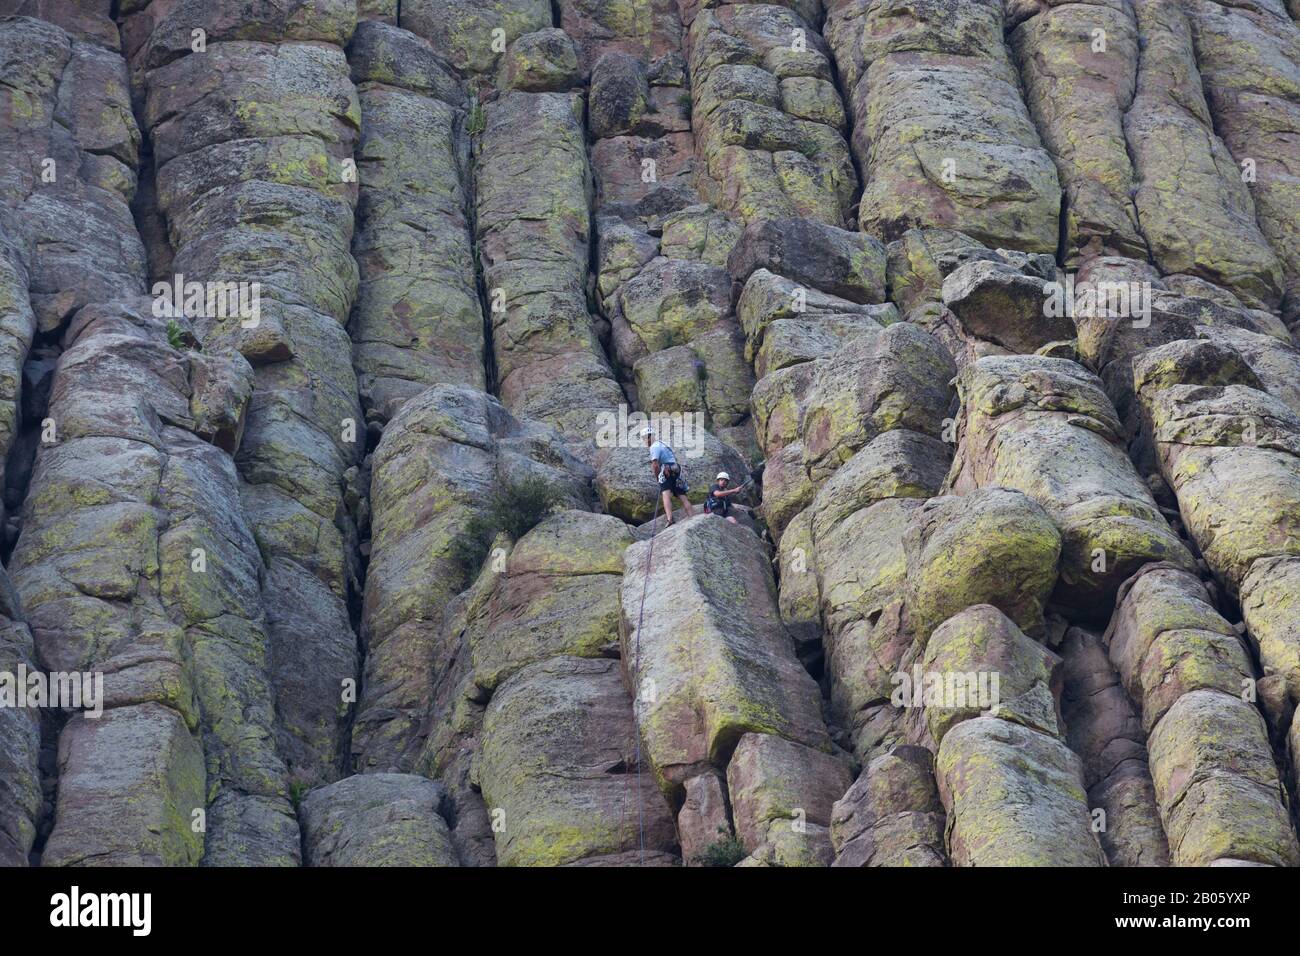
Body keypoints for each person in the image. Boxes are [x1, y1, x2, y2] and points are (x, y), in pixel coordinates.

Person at [643, 427, 693, 527]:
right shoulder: (663, 444)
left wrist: (657, 478)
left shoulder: (654, 446)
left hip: (666, 469)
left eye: (644, 438)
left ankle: (670, 519)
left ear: (649, 437)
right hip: (676, 468)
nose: (644, 441)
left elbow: (655, 464)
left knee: (665, 494)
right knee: (681, 495)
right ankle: (692, 516)